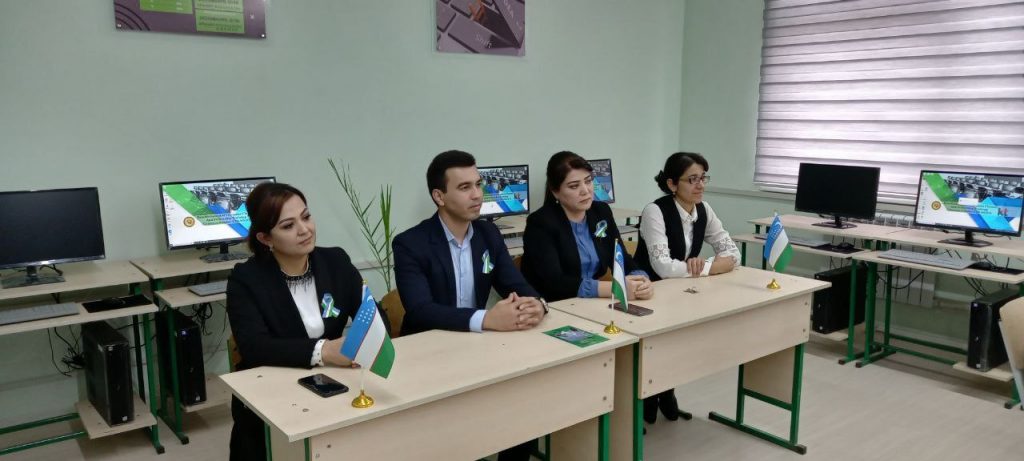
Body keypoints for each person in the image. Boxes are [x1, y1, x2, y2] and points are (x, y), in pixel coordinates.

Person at [392, 150, 546, 461]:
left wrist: (538, 304)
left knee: (524, 404)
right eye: (464, 187)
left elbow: (514, 283)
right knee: (452, 437)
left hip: (477, 348)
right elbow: (421, 310)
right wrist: (487, 319)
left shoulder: (488, 233)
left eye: (478, 184)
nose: (477, 195)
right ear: (439, 196)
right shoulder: (410, 243)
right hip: (428, 353)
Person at [226, 182, 384, 461]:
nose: (305, 230)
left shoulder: (335, 261)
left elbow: (373, 316)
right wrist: (324, 351)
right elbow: (254, 347)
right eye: (288, 226)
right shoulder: (246, 279)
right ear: (265, 238)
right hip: (273, 395)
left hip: (335, 386)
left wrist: (363, 343)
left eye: (306, 217)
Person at [633, 151, 742, 425]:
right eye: (692, 179)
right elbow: (663, 266)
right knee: (656, 347)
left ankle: (666, 391)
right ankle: (647, 397)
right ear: (672, 184)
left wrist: (708, 265)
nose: (700, 185)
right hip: (648, 291)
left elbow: (733, 253)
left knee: (676, 346)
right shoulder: (655, 211)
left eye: (703, 178)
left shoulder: (704, 209)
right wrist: (710, 267)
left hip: (681, 292)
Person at [521, 150, 653, 303]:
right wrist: (614, 289)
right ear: (555, 191)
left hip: (591, 301)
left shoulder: (601, 211)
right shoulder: (540, 223)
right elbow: (555, 281)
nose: (585, 190)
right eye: (574, 186)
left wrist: (641, 280)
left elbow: (620, 257)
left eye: (588, 181)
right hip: (554, 303)